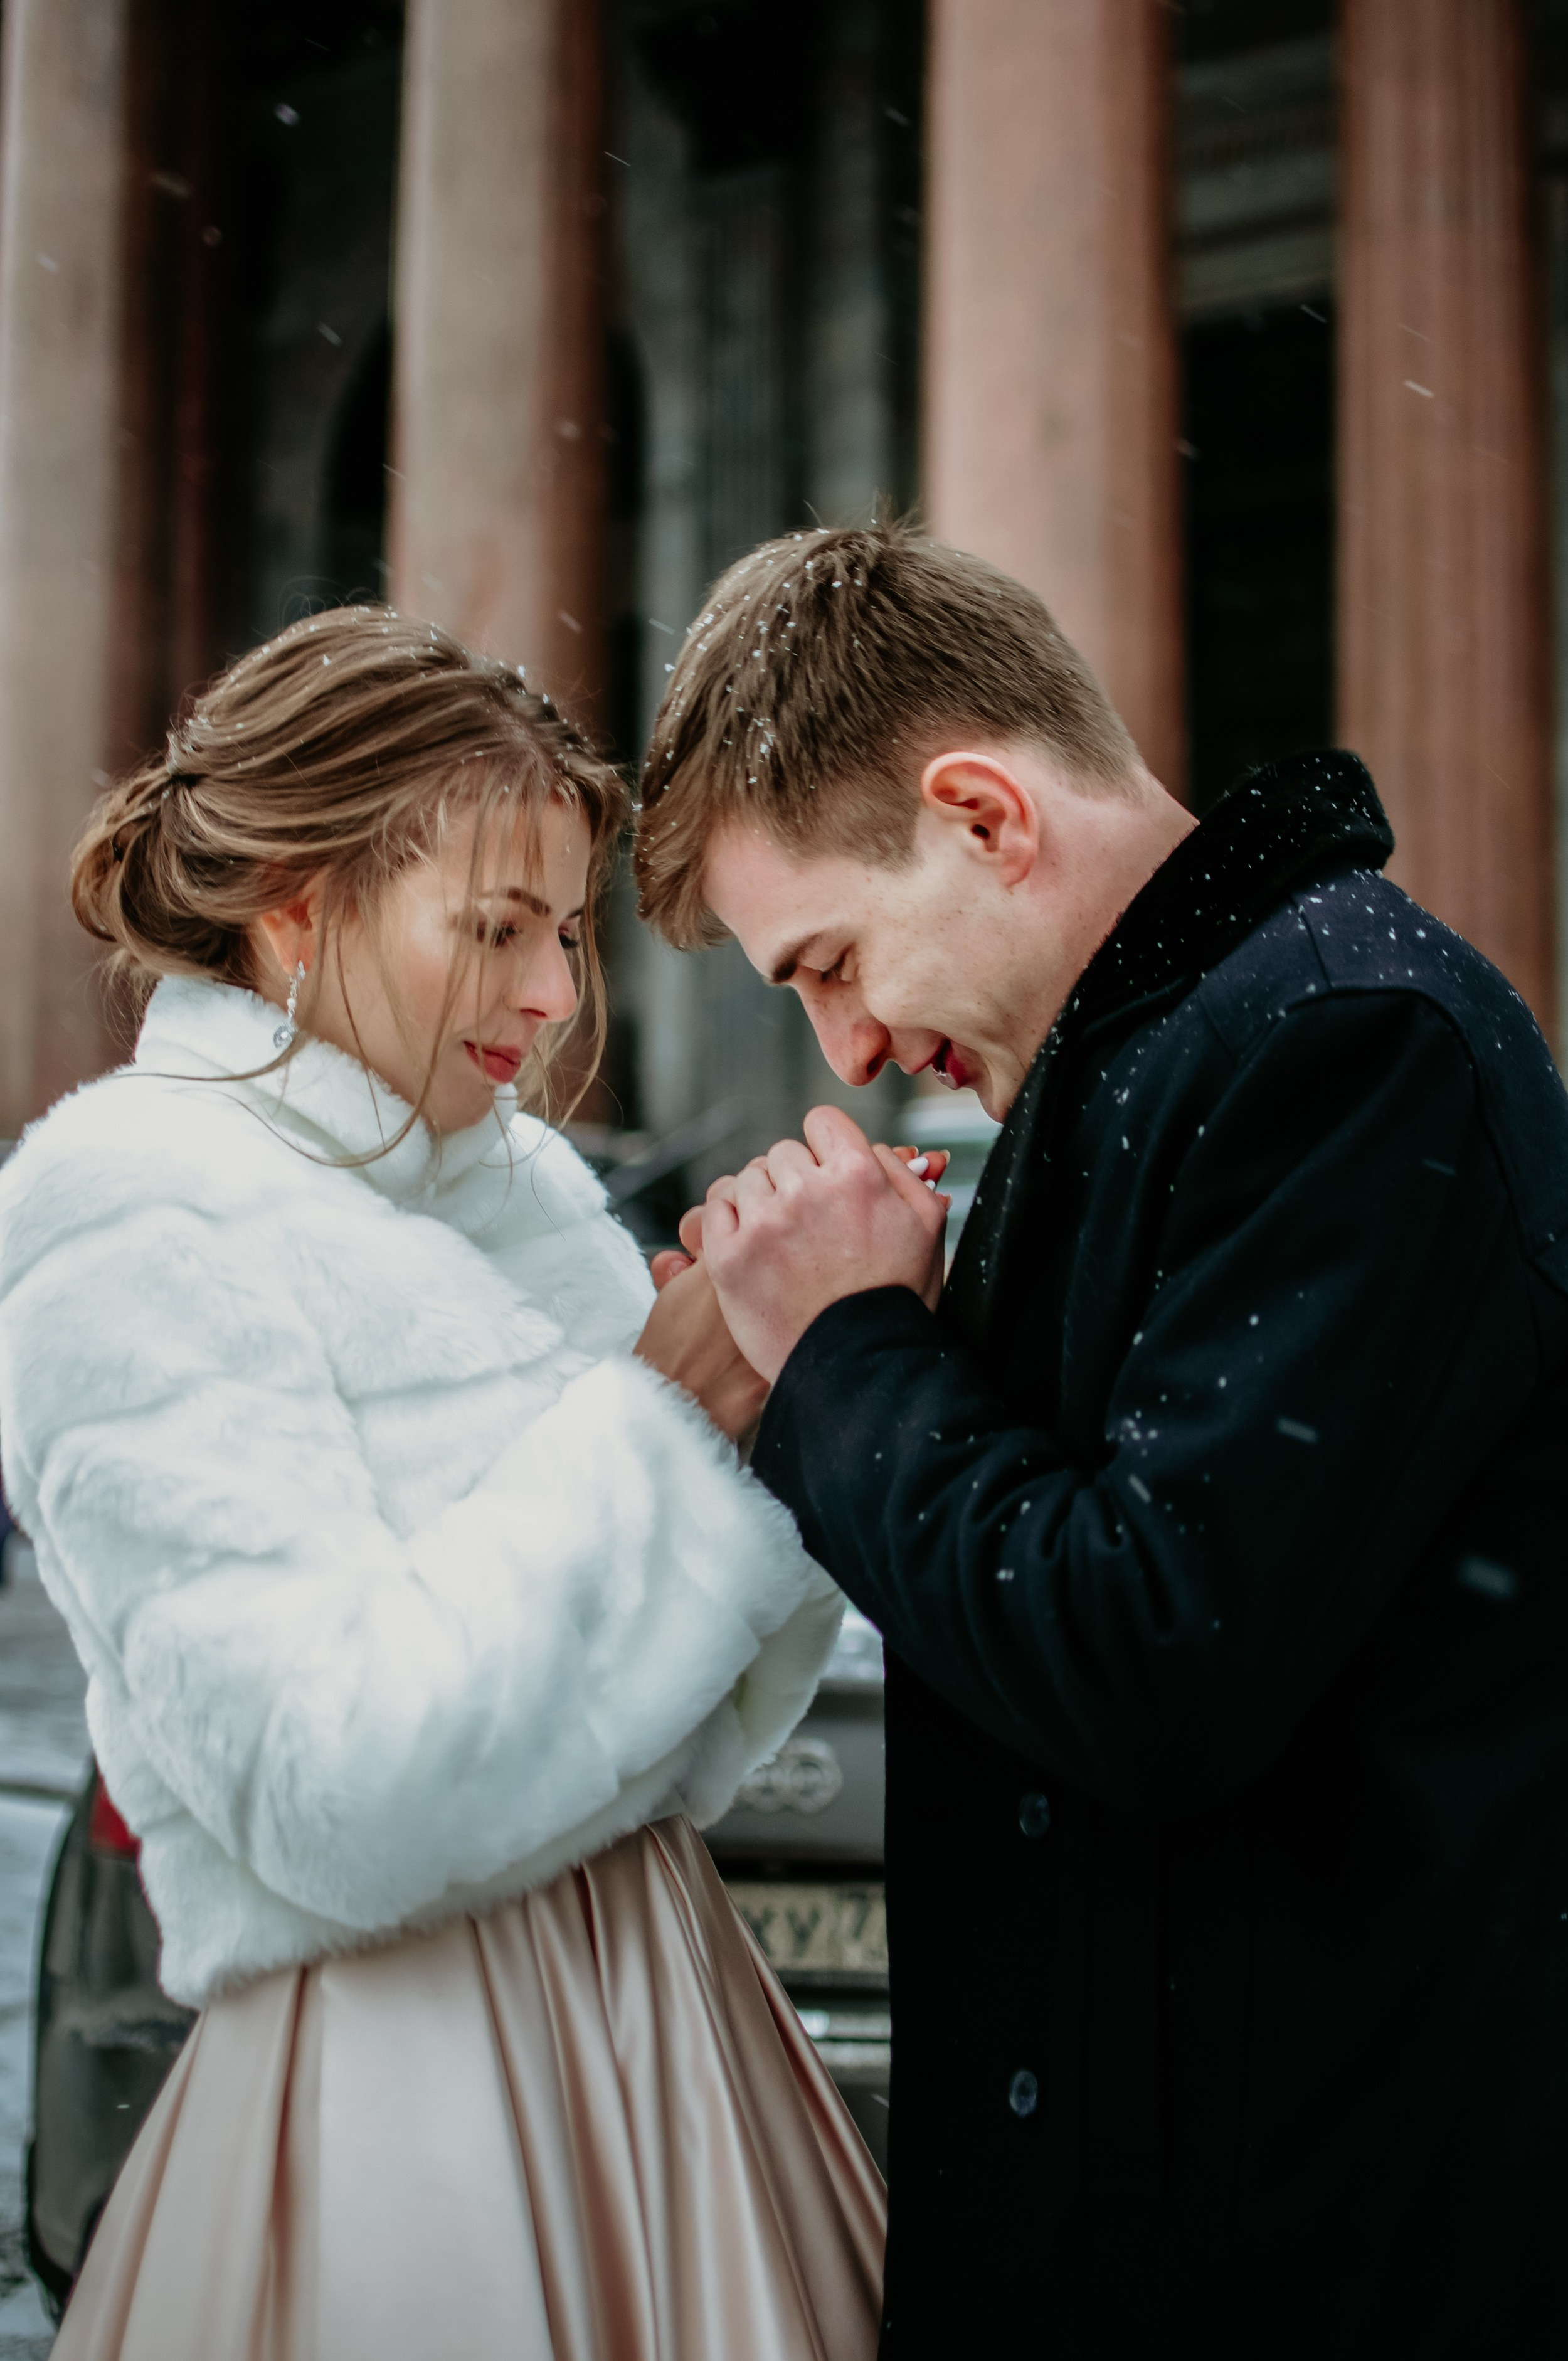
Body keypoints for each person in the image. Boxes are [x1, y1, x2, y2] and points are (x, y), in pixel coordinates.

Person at [633, 521, 1568, 2359]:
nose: (847, 1049)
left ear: (983, 814)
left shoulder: (1348, 1039)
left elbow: (1154, 1650)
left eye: (830, 959)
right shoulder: (1159, 1061)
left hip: (1320, 2249)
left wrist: (844, 1345)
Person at [0, 607, 886, 2360]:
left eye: (564, 932)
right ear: (297, 905)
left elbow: (692, 1742)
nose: (555, 995)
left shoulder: (526, 1187)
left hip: (669, 2019)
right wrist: (666, 1415)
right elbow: (334, 1792)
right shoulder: (128, 1214)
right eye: (494, 930)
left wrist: (779, 1392)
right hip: (395, 2084)